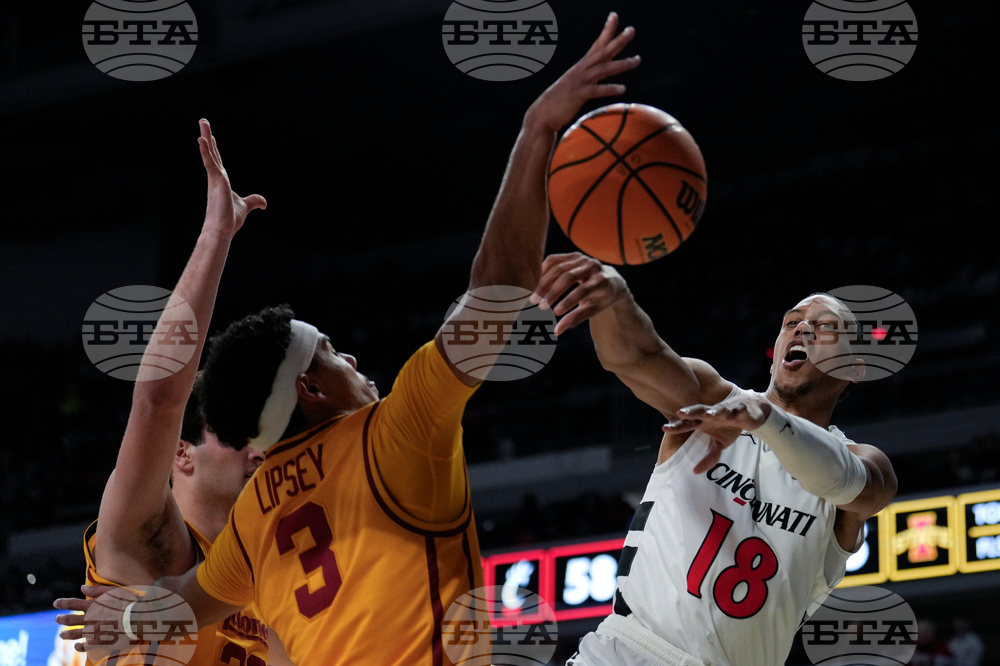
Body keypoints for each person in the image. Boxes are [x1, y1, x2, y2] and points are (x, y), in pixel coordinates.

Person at [59, 14, 642, 665]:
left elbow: (185, 603)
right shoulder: (396, 428)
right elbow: (497, 290)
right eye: (333, 351)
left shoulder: (253, 528)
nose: (357, 359)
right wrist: (537, 131)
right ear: (307, 387)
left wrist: (135, 617)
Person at [530, 253, 898, 666]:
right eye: (791, 322)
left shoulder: (863, 462)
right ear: (776, 349)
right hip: (629, 652)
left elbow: (850, 486)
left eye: (826, 326)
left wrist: (767, 421)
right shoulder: (712, 399)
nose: (803, 328)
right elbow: (636, 357)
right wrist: (616, 299)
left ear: (854, 366)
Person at [54, 119, 291, 665]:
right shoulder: (153, 539)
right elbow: (159, 400)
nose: (259, 450)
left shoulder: (274, 583)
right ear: (180, 452)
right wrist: (216, 235)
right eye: (236, 431)